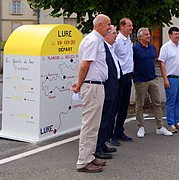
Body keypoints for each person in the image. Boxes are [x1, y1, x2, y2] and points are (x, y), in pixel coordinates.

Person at [71, 14, 111, 173]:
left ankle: (90, 156)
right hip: (92, 87)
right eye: (108, 24)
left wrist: (80, 83)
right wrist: (79, 84)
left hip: (95, 86)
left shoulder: (95, 40)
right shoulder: (93, 40)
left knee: (94, 125)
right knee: (90, 125)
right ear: (99, 25)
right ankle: (83, 162)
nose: (110, 27)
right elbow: (85, 65)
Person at [133, 27, 173, 138]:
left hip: (153, 79)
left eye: (149, 34)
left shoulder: (152, 47)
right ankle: (140, 126)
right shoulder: (135, 49)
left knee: (157, 103)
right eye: (146, 34)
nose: (149, 36)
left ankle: (160, 127)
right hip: (140, 80)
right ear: (140, 37)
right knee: (140, 104)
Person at [158, 26, 179, 133]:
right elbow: (162, 63)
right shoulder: (166, 47)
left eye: (178, 34)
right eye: (175, 34)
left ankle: (177, 121)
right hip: (171, 78)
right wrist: (165, 79)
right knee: (171, 101)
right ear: (170, 35)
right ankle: (171, 123)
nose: (177, 36)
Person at [95, 25, 121, 159]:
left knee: (110, 117)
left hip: (114, 86)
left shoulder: (111, 48)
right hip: (107, 88)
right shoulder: (103, 47)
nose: (116, 36)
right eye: (114, 33)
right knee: (104, 118)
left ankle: (103, 143)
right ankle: (98, 147)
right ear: (106, 35)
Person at [109, 18, 133, 144]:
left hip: (128, 76)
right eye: (129, 25)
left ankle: (119, 130)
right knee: (115, 106)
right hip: (119, 77)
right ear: (122, 27)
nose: (131, 28)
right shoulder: (117, 40)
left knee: (124, 105)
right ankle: (110, 134)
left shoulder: (129, 40)